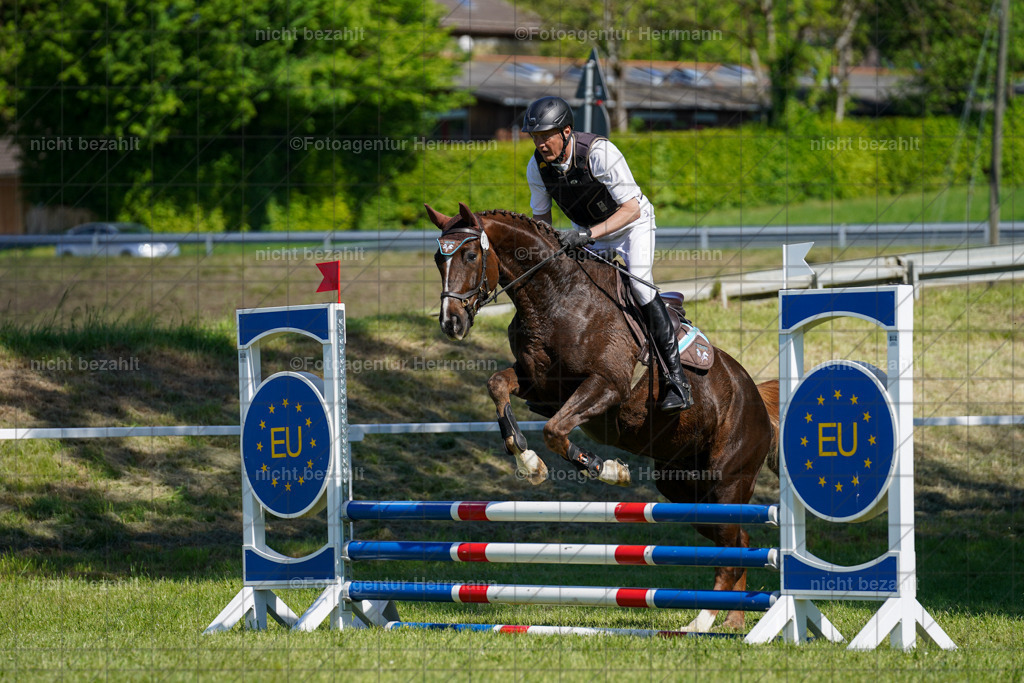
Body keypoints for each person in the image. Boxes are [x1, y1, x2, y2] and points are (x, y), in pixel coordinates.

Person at [522, 96, 692, 412]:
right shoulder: (537, 167)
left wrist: (587, 235)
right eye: (535, 137)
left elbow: (630, 209)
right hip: (589, 233)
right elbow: (541, 219)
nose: (540, 144)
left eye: (546, 135)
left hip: (632, 226)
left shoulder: (600, 153)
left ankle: (676, 380)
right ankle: (558, 385)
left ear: (567, 131)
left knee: (639, 285)